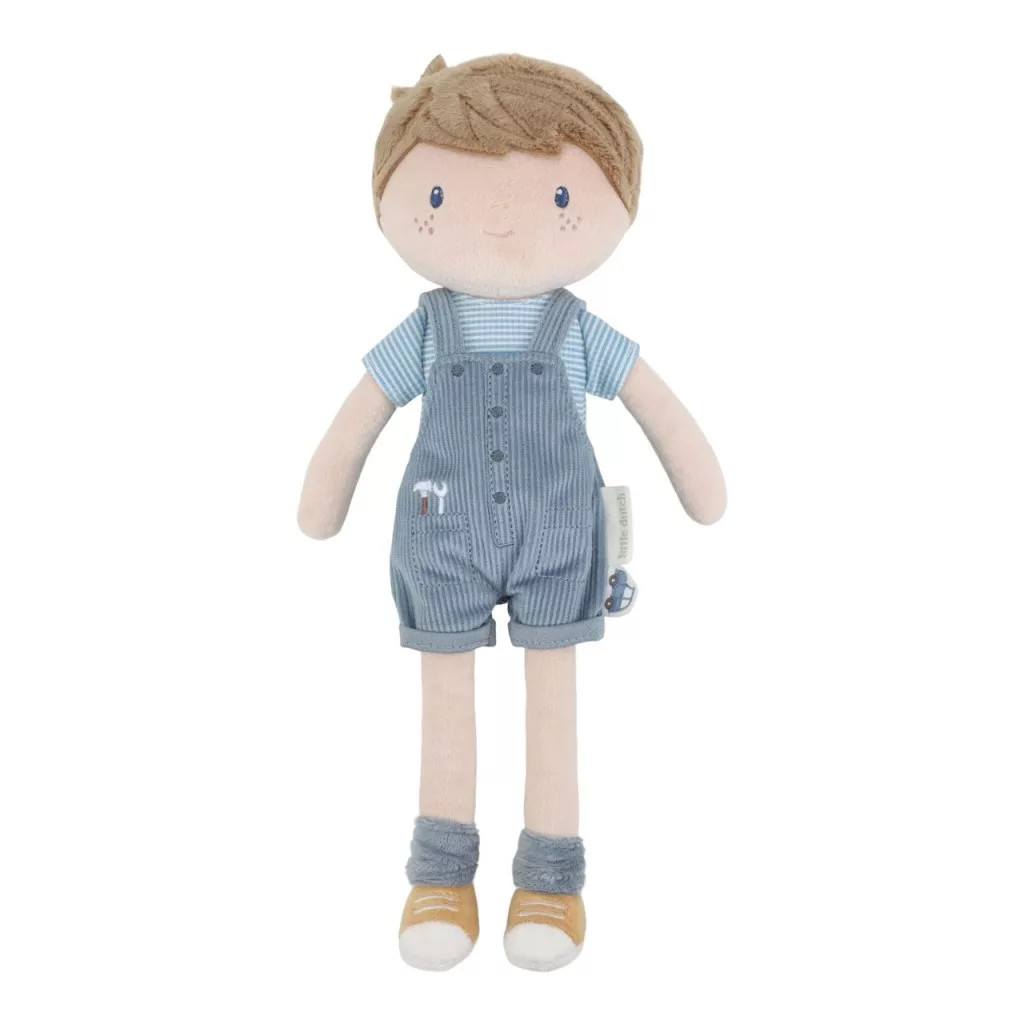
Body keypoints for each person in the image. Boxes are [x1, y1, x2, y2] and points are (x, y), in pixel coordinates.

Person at [298, 53, 726, 972]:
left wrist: (701, 487)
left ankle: (550, 882)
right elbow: (361, 415)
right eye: (441, 195)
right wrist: (323, 498)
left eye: (558, 197)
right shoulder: (426, 328)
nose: (498, 216)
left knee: (552, 705)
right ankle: (440, 877)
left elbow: (656, 407)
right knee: (445, 706)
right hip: (441, 536)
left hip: (559, 537)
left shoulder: (578, 330)